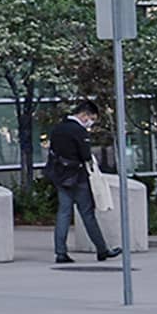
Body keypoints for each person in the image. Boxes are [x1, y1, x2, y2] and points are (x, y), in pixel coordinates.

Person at [44, 100, 118, 267]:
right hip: (77, 177)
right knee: (87, 213)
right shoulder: (79, 131)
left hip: (60, 176)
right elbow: (85, 155)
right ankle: (102, 249)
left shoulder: (58, 128)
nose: (90, 122)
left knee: (63, 213)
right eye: (91, 118)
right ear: (84, 114)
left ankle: (60, 252)